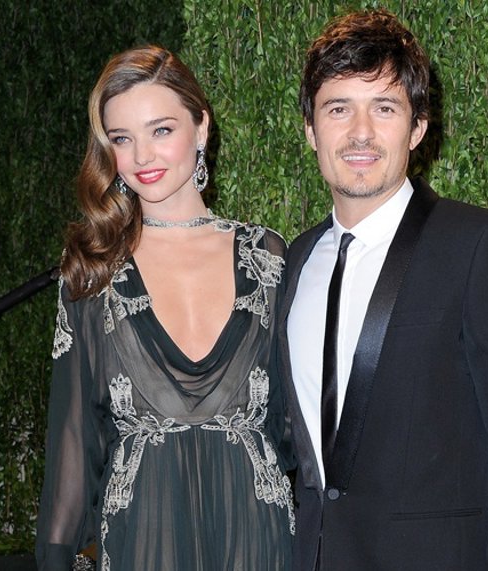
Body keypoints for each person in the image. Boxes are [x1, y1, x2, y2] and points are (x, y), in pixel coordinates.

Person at [279, 9, 488, 570]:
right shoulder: (295, 260)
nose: (361, 132)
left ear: (417, 127)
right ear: (311, 129)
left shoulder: (479, 245)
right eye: (339, 108)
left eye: (384, 108)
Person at [35, 45, 294, 571]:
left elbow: (298, 428)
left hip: (259, 544)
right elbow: (72, 447)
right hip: (141, 547)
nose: (142, 157)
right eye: (121, 139)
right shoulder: (92, 271)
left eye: (161, 130)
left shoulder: (267, 256)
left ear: (201, 127)